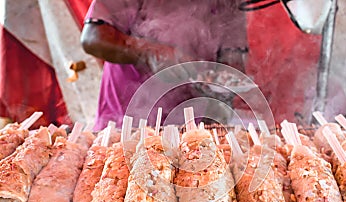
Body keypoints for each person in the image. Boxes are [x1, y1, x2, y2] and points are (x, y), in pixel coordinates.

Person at [81, 0, 248, 131]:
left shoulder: (230, 3)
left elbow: (232, 59)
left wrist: (221, 95)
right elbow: (93, 38)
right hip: (127, 121)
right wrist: (149, 53)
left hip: (192, 124)